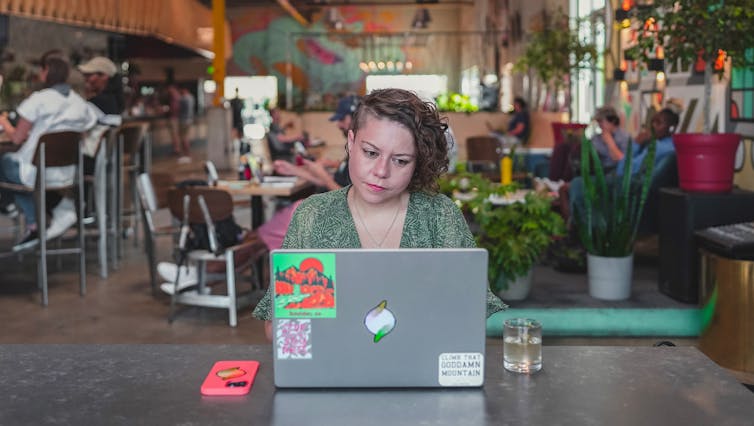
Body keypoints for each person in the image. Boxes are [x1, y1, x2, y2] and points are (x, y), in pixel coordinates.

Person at [252, 88, 507, 340]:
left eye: (401, 160)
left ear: (418, 162)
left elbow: (472, 315)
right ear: (351, 142)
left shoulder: (439, 217)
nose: (381, 171)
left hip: (421, 374)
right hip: (336, 374)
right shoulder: (314, 216)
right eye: (371, 153)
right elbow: (277, 328)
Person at [0, 56, 97, 251]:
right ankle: (47, 213)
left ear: (46, 72)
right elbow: (84, 132)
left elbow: (17, 138)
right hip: (69, 173)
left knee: (5, 164)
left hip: (37, 173)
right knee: (15, 174)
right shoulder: (78, 101)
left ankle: (20, 213)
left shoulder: (39, 99)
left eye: (42, 70)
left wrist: (4, 122)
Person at [590, 105, 630, 171]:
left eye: (601, 121)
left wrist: (610, 142)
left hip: (617, 172)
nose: (599, 124)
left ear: (612, 121)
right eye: (598, 121)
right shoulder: (596, 138)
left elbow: (624, 162)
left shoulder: (624, 137)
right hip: (598, 171)